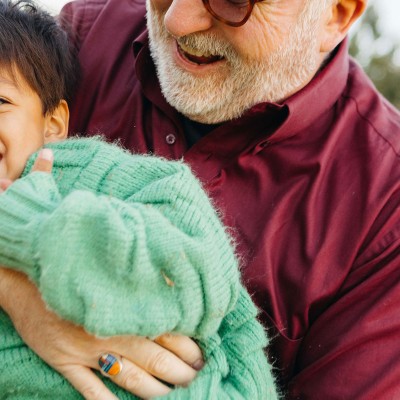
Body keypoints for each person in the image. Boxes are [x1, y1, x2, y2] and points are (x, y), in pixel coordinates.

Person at [2, 0, 400, 398]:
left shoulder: (387, 205)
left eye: (233, 2)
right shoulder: (83, 35)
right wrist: (18, 296)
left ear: (337, 14)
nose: (178, 19)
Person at [0, 1, 278, 399]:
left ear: (54, 123)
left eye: (0, 103)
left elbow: (193, 268)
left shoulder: (89, 172)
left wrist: (31, 227)